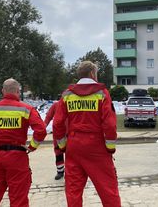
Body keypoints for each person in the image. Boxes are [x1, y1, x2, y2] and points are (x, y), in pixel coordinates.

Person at [53, 61, 121, 207]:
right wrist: (110, 147)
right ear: (92, 73)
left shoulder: (67, 95)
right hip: (97, 147)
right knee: (108, 189)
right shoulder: (102, 93)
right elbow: (109, 124)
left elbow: (57, 123)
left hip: (74, 146)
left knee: (73, 191)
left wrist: (63, 145)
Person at [0, 78, 47, 207]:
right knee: (18, 199)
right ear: (18, 91)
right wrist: (32, 147)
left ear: (3, 91)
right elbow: (41, 130)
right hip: (17, 157)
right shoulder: (26, 109)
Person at [44, 100, 66, 180]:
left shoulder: (71, 104)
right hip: (58, 133)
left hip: (70, 133)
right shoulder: (56, 105)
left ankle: (69, 172)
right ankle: (60, 171)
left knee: (70, 153)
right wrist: (44, 126)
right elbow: (48, 116)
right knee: (58, 152)